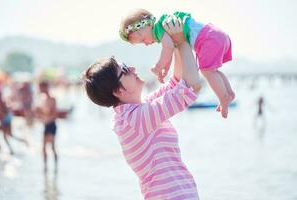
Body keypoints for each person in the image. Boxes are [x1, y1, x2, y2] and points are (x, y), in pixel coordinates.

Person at [83, 22, 202, 199]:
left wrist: (173, 42)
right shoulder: (134, 119)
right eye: (124, 70)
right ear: (118, 91)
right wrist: (182, 41)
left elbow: (176, 83)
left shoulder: (136, 112)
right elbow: (191, 87)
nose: (132, 68)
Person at [119, 9, 235, 118]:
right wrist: (166, 68)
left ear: (147, 24)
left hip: (208, 40)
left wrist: (159, 66)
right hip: (217, 35)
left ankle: (223, 98)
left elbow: (168, 48)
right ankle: (229, 93)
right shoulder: (164, 28)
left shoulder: (159, 29)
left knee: (207, 71)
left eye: (143, 39)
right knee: (213, 71)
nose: (146, 44)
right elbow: (169, 49)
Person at [35, 81, 58, 172]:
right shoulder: (43, 99)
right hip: (46, 124)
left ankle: (55, 168)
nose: (39, 90)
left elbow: (53, 114)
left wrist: (41, 113)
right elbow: (43, 114)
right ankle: (45, 168)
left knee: (52, 147)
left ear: (45, 88)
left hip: (51, 125)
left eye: (40, 88)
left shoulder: (52, 99)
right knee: (44, 147)